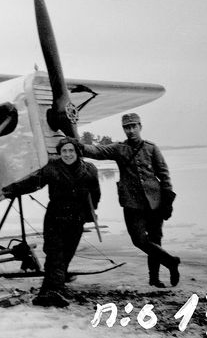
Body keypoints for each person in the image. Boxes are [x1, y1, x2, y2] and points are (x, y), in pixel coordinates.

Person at [82, 113, 180, 288]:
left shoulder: (152, 148)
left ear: (140, 127)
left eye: (134, 126)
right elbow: (97, 151)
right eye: (127, 127)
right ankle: (171, 262)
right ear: (124, 129)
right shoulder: (119, 149)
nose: (131, 130)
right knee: (138, 240)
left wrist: (167, 202)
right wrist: (77, 145)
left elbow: (164, 176)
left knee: (155, 239)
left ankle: (154, 279)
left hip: (154, 201)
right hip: (131, 203)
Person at [2, 137, 101, 307]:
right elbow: (32, 182)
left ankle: (50, 291)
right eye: (64, 151)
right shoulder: (52, 168)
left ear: (77, 152)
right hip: (55, 218)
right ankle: (53, 291)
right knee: (55, 255)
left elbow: (95, 193)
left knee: (67, 255)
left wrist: (89, 214)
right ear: (59, 153)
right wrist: (8, 190)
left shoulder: (89, 170)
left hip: (76, 220)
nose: (68, 154)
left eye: (71, 151)